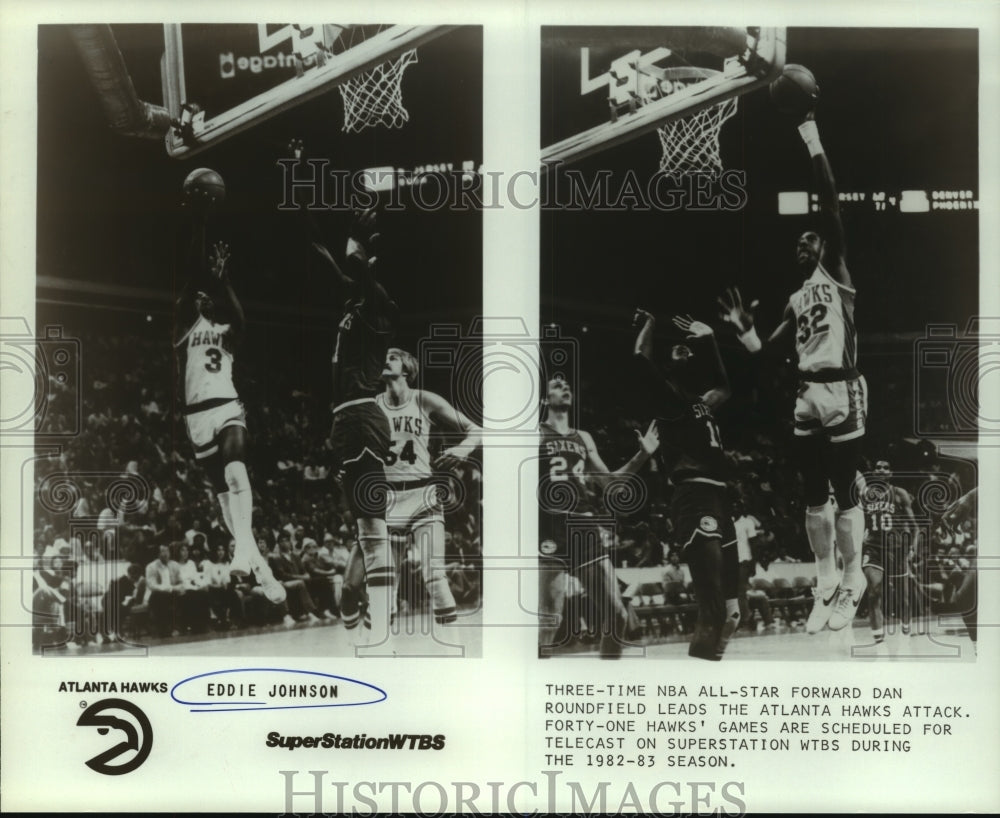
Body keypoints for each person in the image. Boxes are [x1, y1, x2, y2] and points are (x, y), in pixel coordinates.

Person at [718, 107, 867, 634]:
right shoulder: (796, 297)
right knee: (811, 493)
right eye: (798, 242)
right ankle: (825, 580)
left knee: (845, 490)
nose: (800, 244)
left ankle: (854, 580)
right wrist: (745, 331)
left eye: (808, 239)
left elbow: (828, 200)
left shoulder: (838, 270)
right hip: (806, 393)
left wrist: (811, 136)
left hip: (843, 389)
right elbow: (766, 356)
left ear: (823, 245)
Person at [173, 221, 285, 605]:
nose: (203, 297)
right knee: (224, 501)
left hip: (226, 407)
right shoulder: (183, 328)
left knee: (237, 472)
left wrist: (225, 283)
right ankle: (261, 570)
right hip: (196, 418)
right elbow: (190, 277)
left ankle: (242, 555)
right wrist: (199, 219)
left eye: (209, 295)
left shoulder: (226, 331)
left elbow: (241, 319)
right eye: (199, 295)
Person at [311, 208, 397, 647]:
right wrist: (328, 257)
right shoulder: (354, 312)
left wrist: (356, 239)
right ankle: (355, 597)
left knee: (375, 530)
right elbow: (346, 282)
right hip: (346, 423)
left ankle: (373, 613)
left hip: (361, 420)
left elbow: (358, 273)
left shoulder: (373, 313)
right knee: (367, 528)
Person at [634, 309, 739, 661]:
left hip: (721, 499)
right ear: (667, 367)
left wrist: (709, 341)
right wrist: (651, 321)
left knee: (732, 615)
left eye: (688, 350)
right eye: (677, 349)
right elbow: (639, 358)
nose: (684, 348)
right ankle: (698, 685)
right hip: (694, 497)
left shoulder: (703, 403)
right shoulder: (668, 400)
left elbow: (725, 385)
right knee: (712, 611)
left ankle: (708, 669)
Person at [538, 375, 659, 659]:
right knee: (548, 622)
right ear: (544, 399)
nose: (565, 387)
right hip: (548, 524)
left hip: (583, 524)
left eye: (567, 385)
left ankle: (607, 678)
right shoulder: (534, 432)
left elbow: (611, 484)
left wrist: (642, 456)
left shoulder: (584, 437)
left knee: (617, 614)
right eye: (556, 386)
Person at [375, 347, 482, 625]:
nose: (385, 360)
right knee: (385, 583)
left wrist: (462, 450)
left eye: (393, 357)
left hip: (422, 493)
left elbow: (475, 430)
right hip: (387, 497)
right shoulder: (373, 404)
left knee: (434, 574)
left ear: (407, 368)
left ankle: (452, 642)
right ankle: (379, 652)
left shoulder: (423, 399)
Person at [860, 460, 916, 646]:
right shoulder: (865, 494)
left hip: (897, 548)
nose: (881, 470)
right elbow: (859, 520)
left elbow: (914, 526)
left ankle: (906, 628)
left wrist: (911, 548)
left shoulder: (899, 493)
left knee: (904, 598)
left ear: (890, 473)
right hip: (873, 546)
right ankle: (878, 638)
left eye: (885, 467)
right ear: (874, 472)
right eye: (878, 467)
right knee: (873, 591)